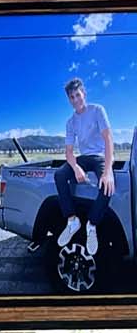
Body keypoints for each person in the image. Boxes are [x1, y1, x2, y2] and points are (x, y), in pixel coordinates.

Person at [56, 76, 114, 258]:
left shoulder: (97, 110)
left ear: (84, 94)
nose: (75, 100)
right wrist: (76, 168)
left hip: (99, 156)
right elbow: (69, 152)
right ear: (69, 99)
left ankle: (91, 224)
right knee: (59, 175)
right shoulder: (70, 122)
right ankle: (72, 220)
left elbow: (108, 139)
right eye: (71, 97)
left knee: (107, 185)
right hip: (83, 158)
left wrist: (108, 171)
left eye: (78, 95)